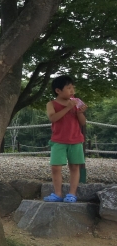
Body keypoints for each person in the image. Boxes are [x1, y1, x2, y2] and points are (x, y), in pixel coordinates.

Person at [43, 75, 87, 203]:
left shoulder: (76, 103)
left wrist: (80, 112)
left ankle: (72, 194)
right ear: (58, 90)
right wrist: (68, 107)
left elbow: (83, 123)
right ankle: (57, 193)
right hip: (58, 140)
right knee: (55, 167)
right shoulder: (51, 104)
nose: (72, 90)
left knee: (74, 167)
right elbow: (53, 118)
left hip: (76, 140)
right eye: (69, 88)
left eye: (73, 87)